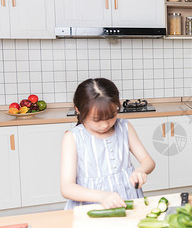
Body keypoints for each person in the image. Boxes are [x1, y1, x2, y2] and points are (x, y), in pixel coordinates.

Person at [60, 78, 155, 209]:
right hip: (91, 206)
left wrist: (140, 170)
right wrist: (102, 196)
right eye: (96, 119)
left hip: (128, 198)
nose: (105, 124)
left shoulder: (124, 127)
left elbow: (148, 161)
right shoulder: (73, 137)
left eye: (111, 116)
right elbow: (67, 188)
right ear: (79, 110)